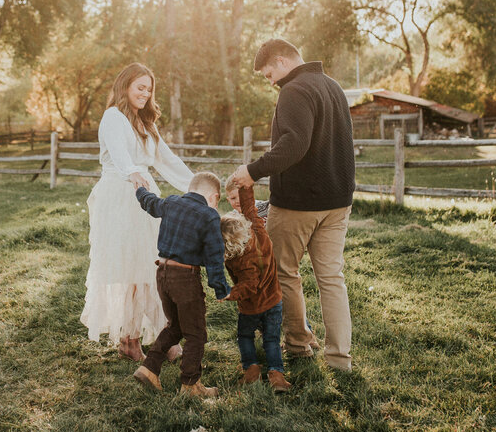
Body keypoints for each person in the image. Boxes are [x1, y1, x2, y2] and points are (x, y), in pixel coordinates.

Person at [230, 38, 357, 371]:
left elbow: (294, 145)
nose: (270, 82)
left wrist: (251, 171)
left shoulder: (294, 90)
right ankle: (340, 359)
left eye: (268, 73)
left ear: (282, 61)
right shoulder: (333, 87)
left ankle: (299, 346)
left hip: (298, 205)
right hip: (338, 201)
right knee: (331, 277)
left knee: (284, 273)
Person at [81, 62, 196, 362]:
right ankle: (130, 341)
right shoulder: (113, 117)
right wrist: (133, 173)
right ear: (125, 87)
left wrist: (197, 186)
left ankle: (163, 336)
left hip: (146, 197)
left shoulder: (146, 123)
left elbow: (166, 160)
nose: (145, 93)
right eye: (139, 87)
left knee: (153, 267)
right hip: (121, 196)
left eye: (148, 89)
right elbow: (120, 156)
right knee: (132, 268)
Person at [130, 171, 231, 397]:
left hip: (162, 273)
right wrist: (220, 288)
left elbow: (149, 203)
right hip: (185, 278)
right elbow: (215, 256)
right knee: (196, 333)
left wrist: (140, 189)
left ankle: (149, 368)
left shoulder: (172, 202)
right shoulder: (209, 215)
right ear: (214, 196)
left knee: (175, 325)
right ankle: (190, 384)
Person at [220, 178, 290, 392]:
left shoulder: (235, 258)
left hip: (251, 308)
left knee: (245, 336)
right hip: (274, 301)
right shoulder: (259, 231)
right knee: (271, 339)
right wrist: (245, 184)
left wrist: (229, 294)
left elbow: (249, 285)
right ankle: (276, 374)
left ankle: (251, 369)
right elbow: (250, 209)